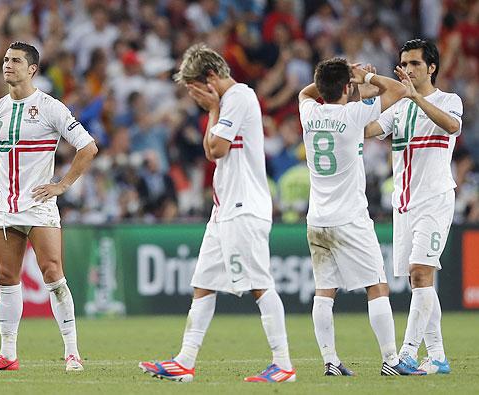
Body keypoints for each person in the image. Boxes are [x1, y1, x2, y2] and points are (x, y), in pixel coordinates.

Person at [139, 44, 296, 383]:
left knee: (259, 284)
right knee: (203, 285)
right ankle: (184, 361)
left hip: (245, 207)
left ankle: (283, 364)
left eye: (194, 86)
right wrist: (211, 110)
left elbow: (217, 148)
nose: (192, 94)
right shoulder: (224, 103)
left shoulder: (238, 97)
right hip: (223, 209)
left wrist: (211, 109)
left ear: (210, 77)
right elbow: (212, 153)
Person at [0, 42, 98, 372]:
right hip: (5, 207)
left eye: (15, 61)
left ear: (32, 70)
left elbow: (88, 147)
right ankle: (7, 354)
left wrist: (62, 186)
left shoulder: (51, 107)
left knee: (53, 273)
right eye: (6, 60)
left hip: (39, 205)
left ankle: (72, 352)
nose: (7, 65)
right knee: (6, 277)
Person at [299, 57, 426, 376]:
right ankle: (391, 360)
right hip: (350, 218)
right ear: (347, 88)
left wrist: (336, 78)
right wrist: (363, 75)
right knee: (377, 286)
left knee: (324, 291)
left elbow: (304, 92)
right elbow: (399, 89)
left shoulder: (308, 112)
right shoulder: (354, 114)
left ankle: (330, 361)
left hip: (317, 219)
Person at [365, 39, 463, 374]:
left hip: (434, 200)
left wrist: (415, 97)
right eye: (404, 64)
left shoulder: (448, 100)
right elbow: (368, 131)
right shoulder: (399, 109)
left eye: (415, 64)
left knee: (422, 272)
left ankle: (407, 353)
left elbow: (452, 127)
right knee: (417, 279)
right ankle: (436, 355)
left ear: (431, 67)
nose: (408, 70)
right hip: (403, 204)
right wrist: (347, 102)